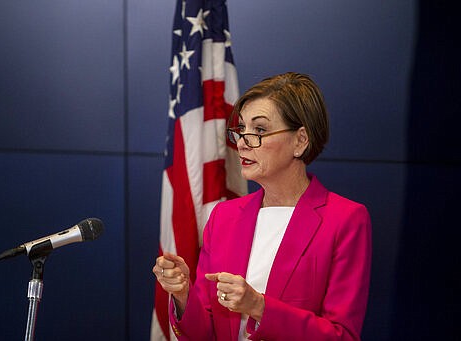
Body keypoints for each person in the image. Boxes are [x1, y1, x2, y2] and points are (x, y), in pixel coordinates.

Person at [153, 72, 372, 340]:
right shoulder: (224, 217)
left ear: (300, 141)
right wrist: (183, 294)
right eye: (241, 129)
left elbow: (342, 336)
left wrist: (259, 306)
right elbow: (205, 334)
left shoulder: (345, 219)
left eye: (259, 130)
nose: (243, 141)